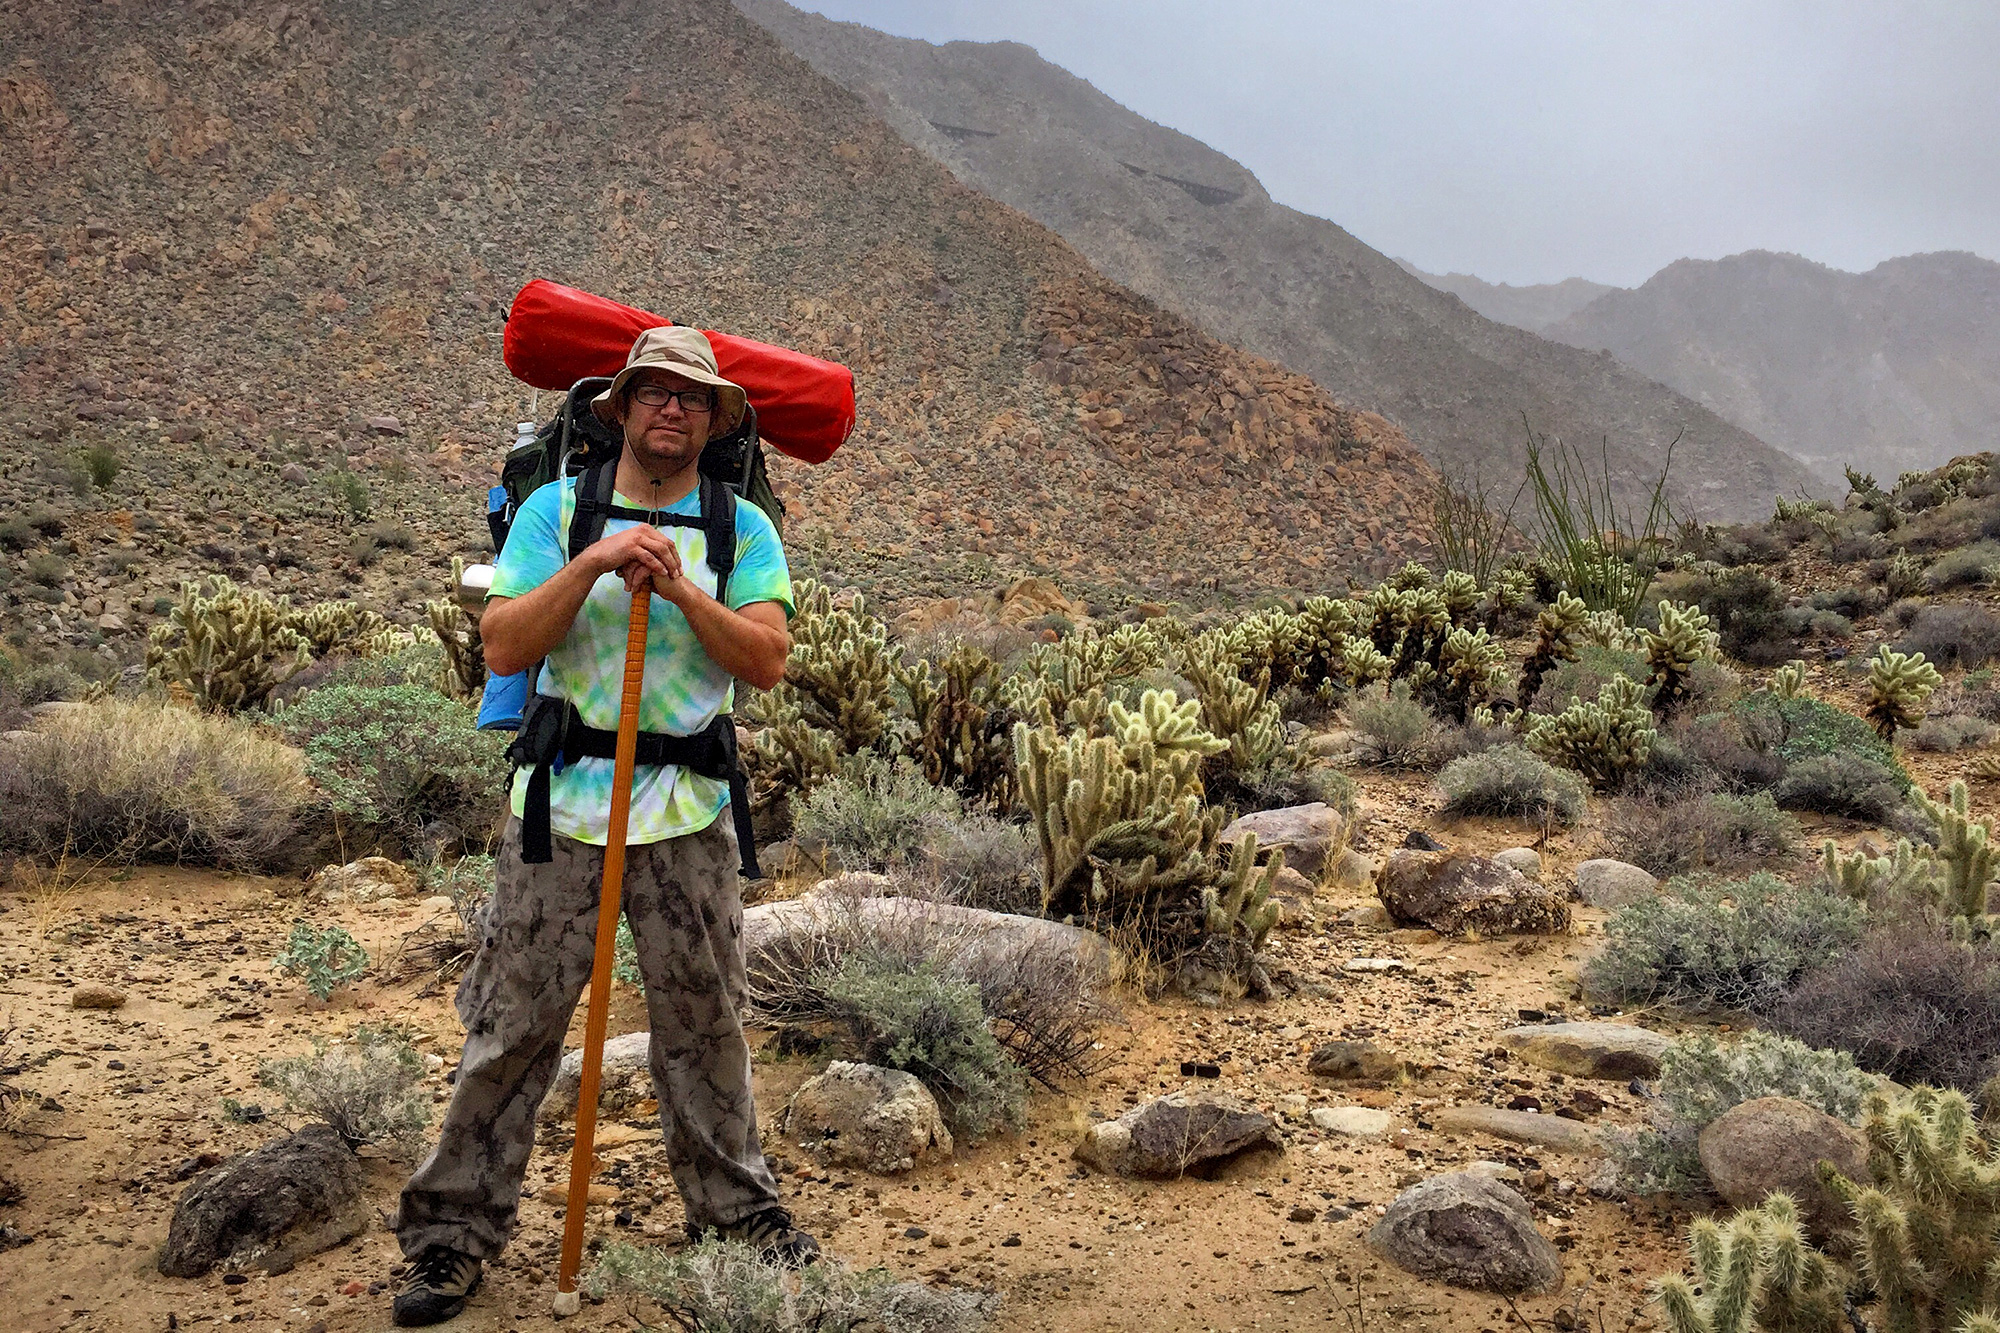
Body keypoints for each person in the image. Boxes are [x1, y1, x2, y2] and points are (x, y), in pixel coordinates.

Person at [391, 327, 816, 1327]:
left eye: (691, 399)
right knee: (513, 1021)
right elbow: (503, 639)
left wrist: (672, 586)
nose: (671, 409)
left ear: (713, 423)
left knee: (703, 1021)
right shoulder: (553, 511)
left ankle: (736, 1214)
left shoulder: (740, 529)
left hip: (687, 812)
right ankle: (450, 1233)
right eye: (653, 393)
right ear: (618, 409)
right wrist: (595, 560)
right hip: (562, 806)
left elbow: (764, 658)